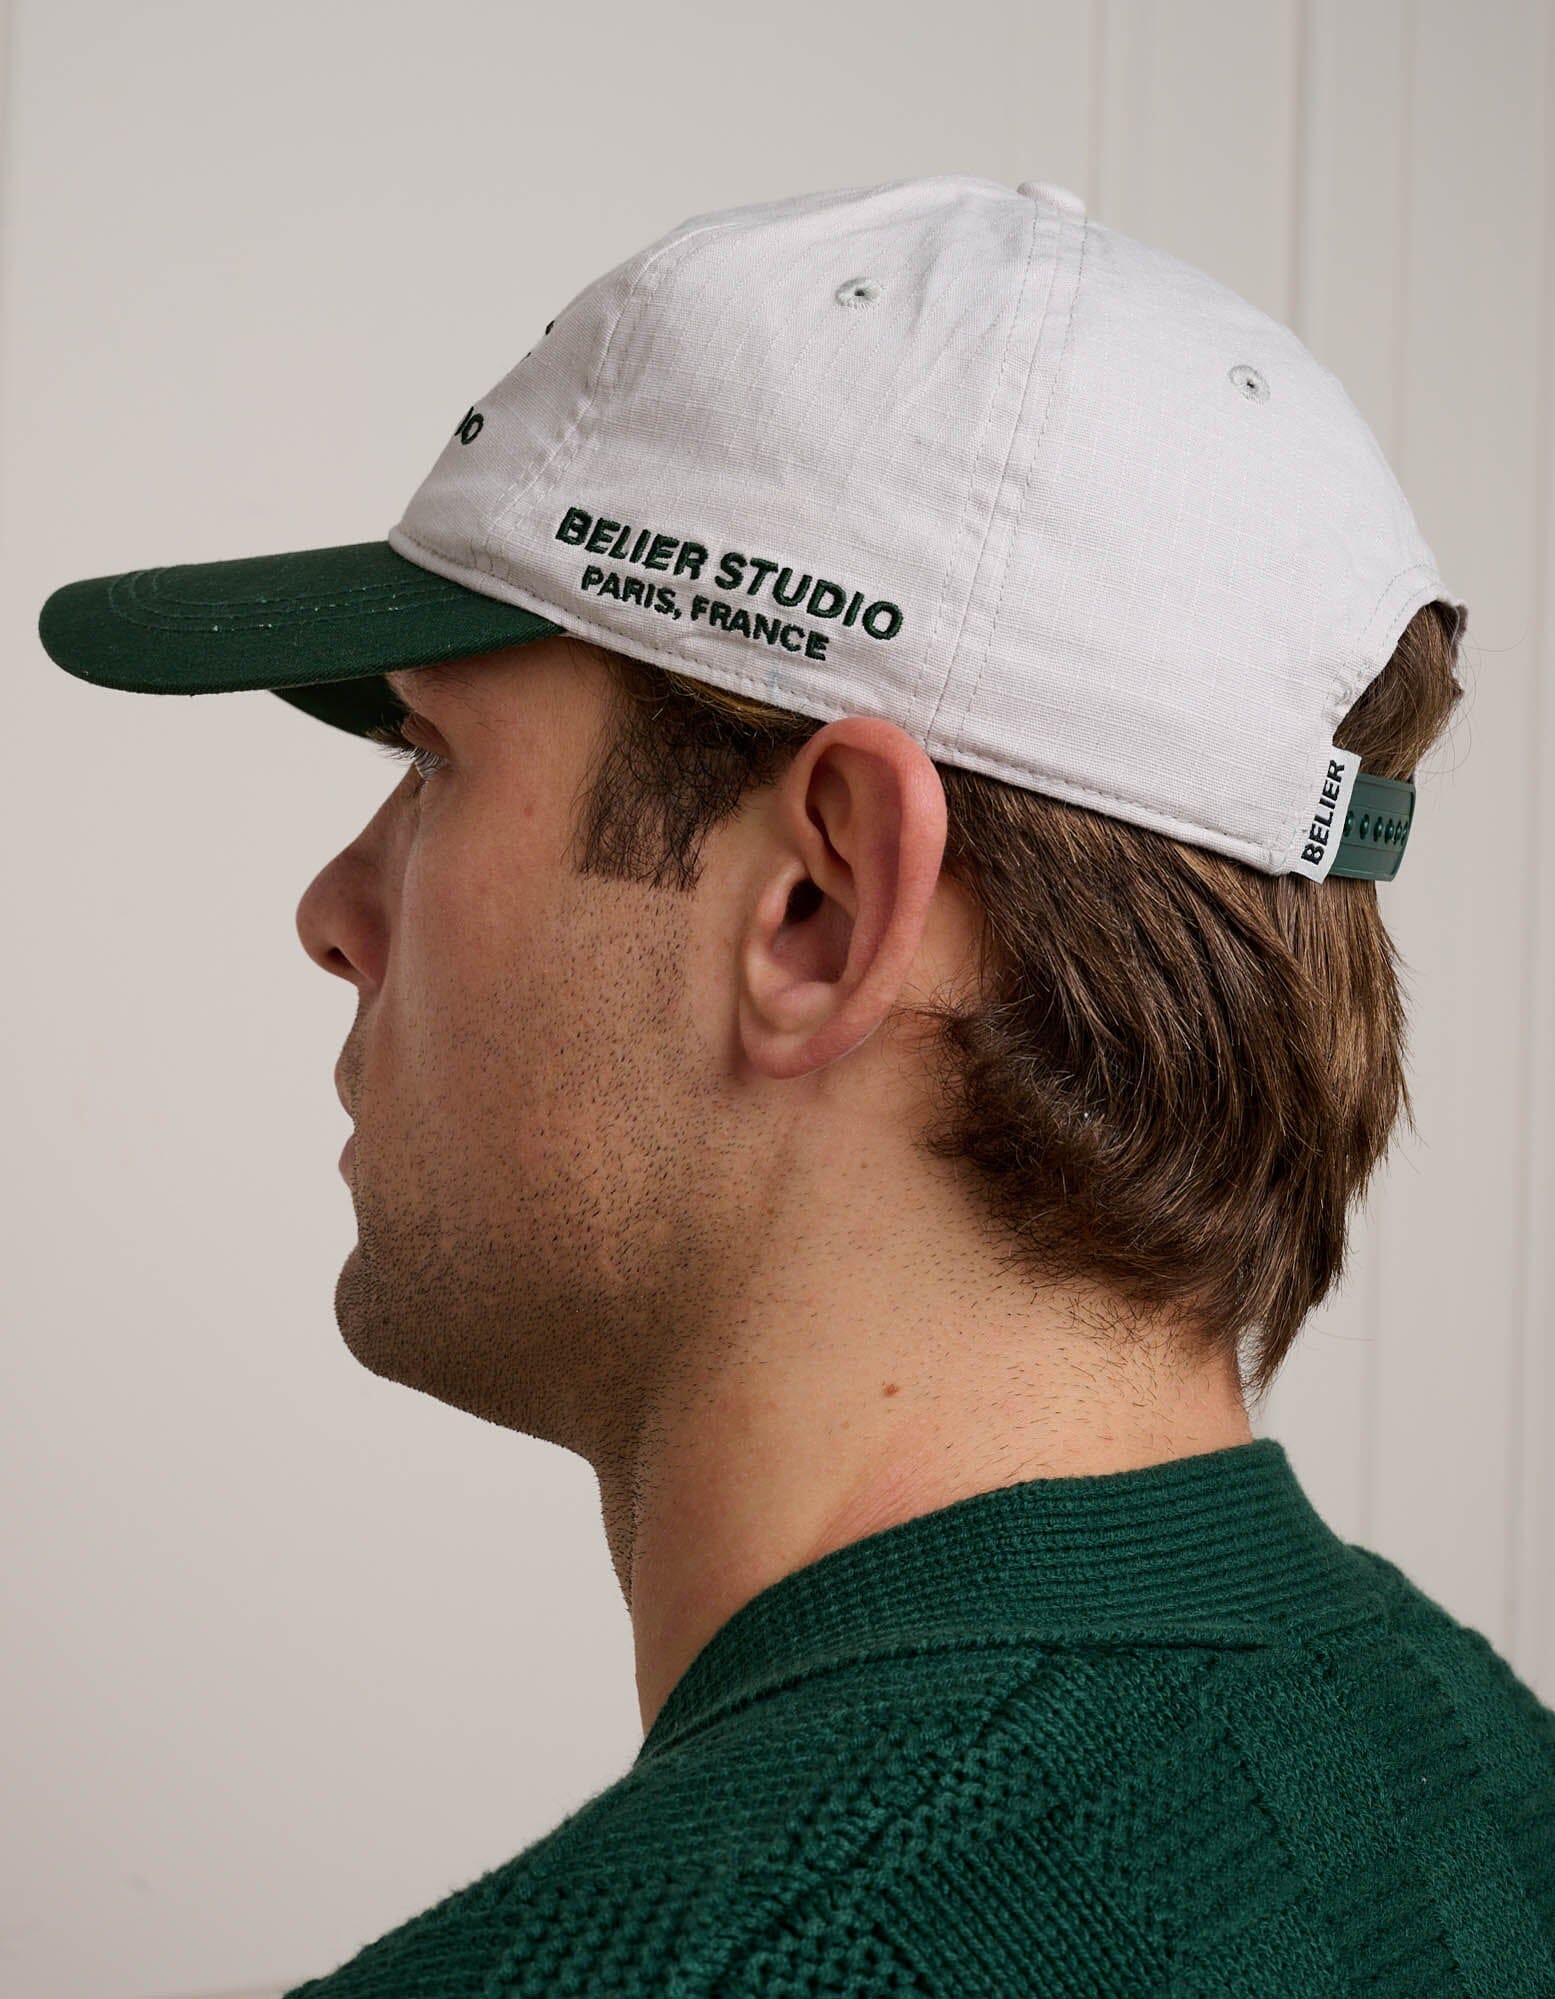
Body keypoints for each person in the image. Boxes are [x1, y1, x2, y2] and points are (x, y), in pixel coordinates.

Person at [39, 174, 1555, 1996]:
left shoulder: (672, 1972)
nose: (332, 910)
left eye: (433, 759)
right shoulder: (1492, 1792)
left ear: (818, 908)